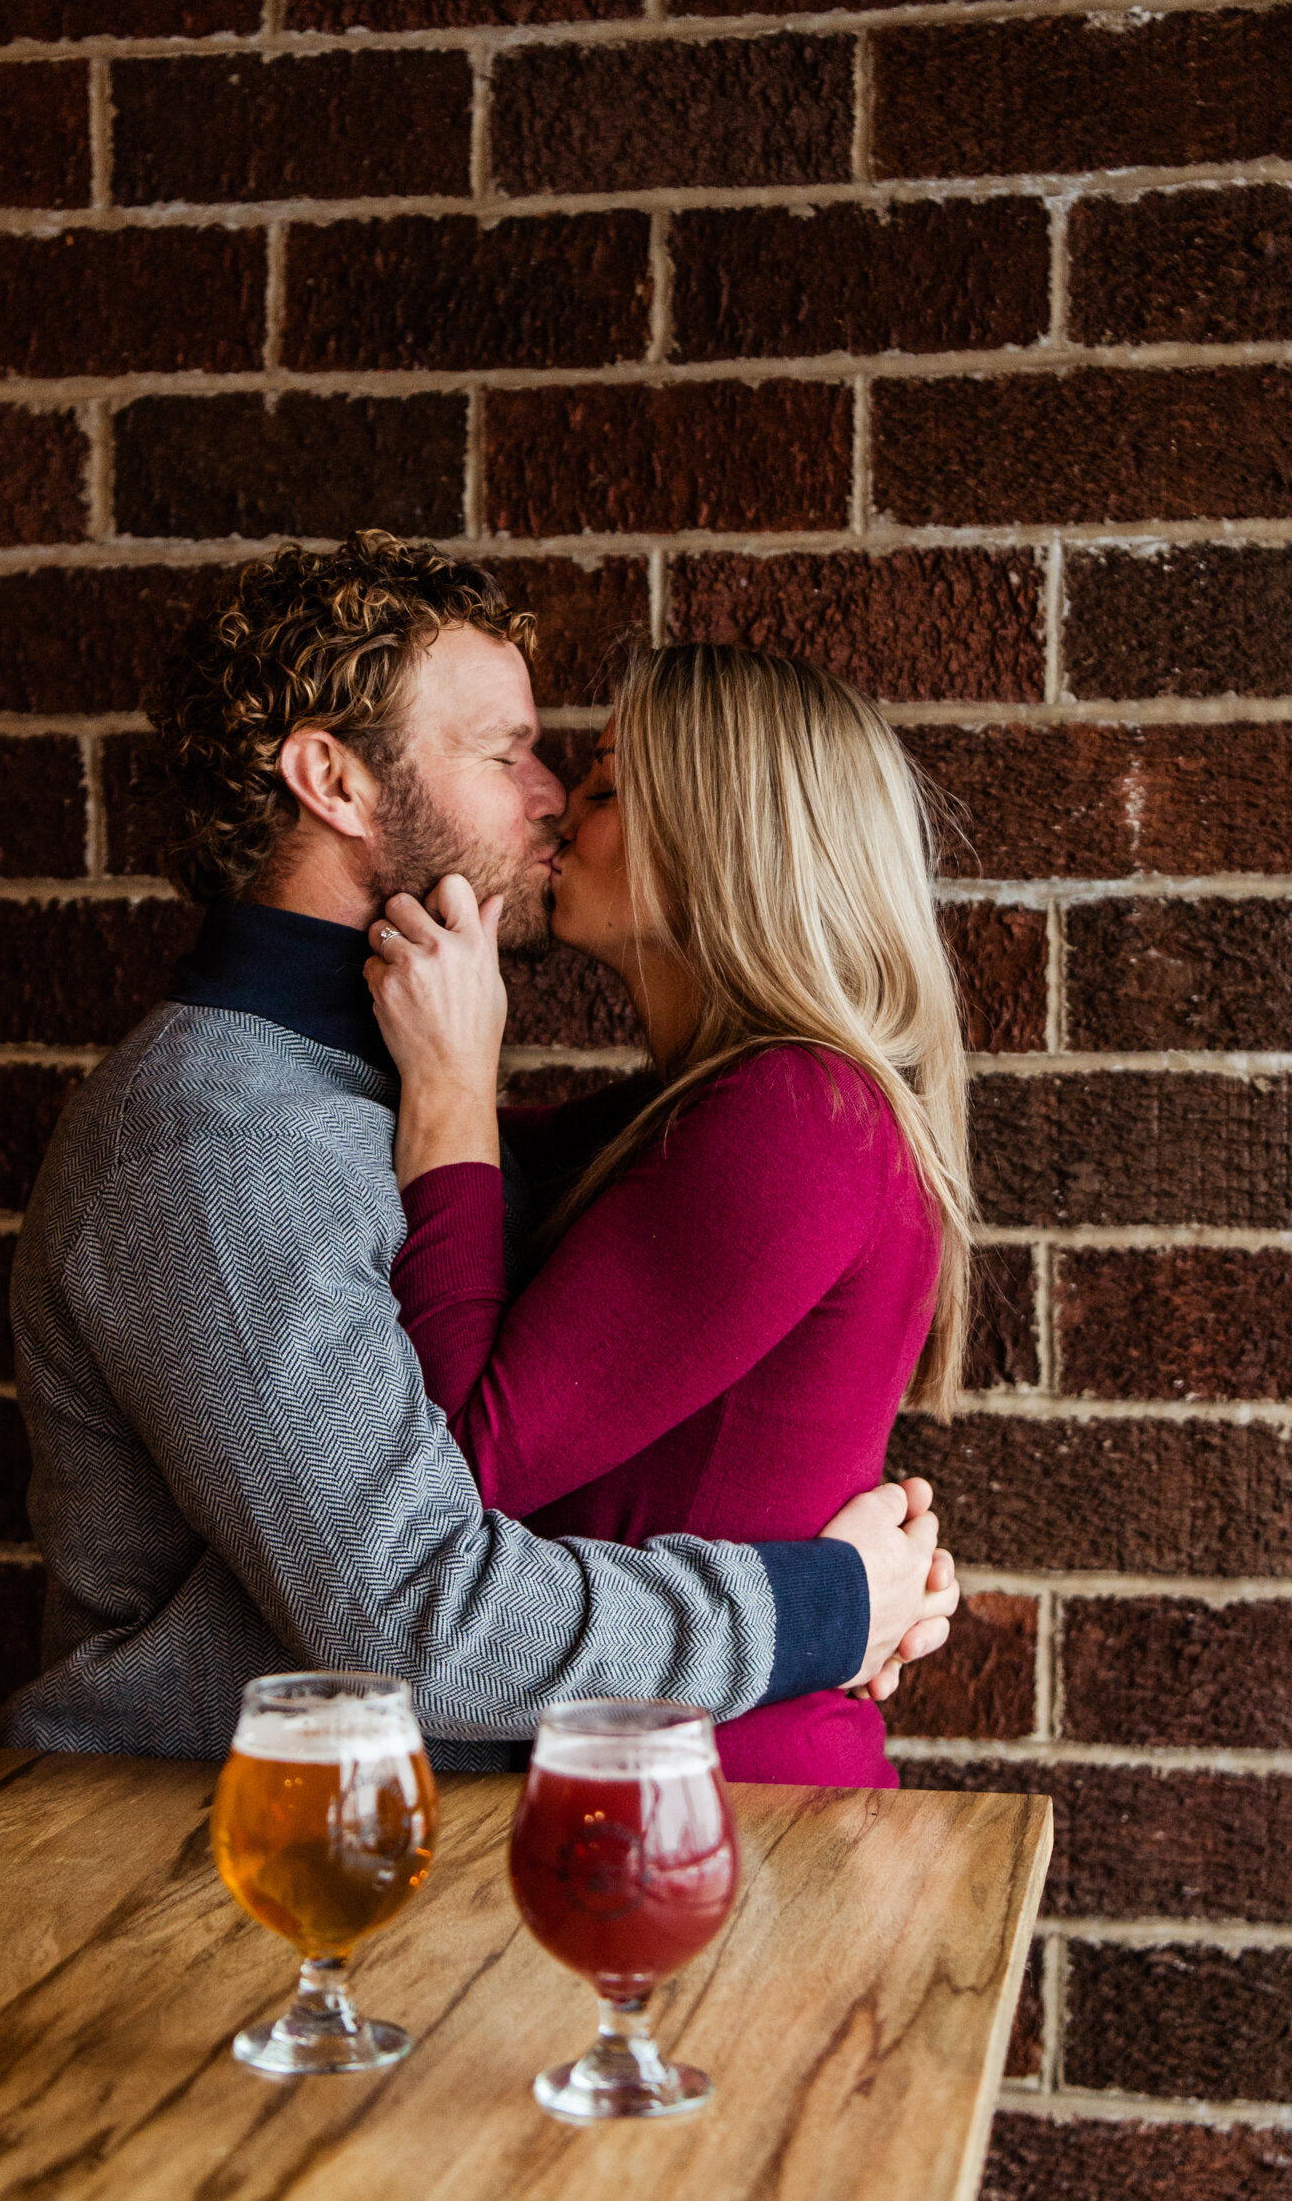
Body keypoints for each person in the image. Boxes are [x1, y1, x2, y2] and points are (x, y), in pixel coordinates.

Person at [0, 534, 957, 1765]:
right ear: (333, 783)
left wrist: (867, 1583)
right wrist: (823, 1606)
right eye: (505, 754)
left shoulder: (402, 1106)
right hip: (208, 1853)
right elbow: (428, 1624)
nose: (550, 793)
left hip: (429, 1847)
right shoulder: (211, 1147)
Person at [368, 644, 972, 1787]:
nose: (555, 813)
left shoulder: (793, 1117)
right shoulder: (701, 1112)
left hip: (725, 1826)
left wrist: (448, 1089)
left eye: (599, 790)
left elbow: (454, 1473)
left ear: (715, 844)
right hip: (657, 1790)